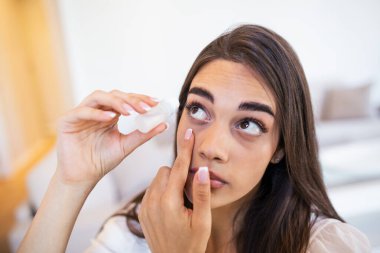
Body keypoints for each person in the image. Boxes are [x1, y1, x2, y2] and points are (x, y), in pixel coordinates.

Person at [18, 24, 371, 253]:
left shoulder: (325, 246)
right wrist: (70, 180)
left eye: (248, 124)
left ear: (280, 147)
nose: (210, 147)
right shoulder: (133, 234)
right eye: (199, 110)